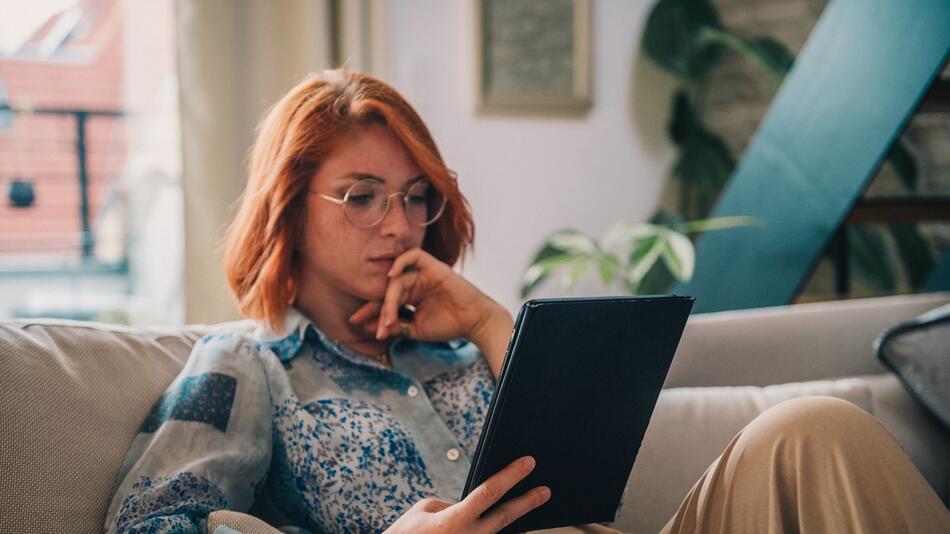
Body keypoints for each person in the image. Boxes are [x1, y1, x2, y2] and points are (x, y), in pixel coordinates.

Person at [105, 69, 950, 534]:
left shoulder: (463, 344)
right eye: (360, 196)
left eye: (412, 196)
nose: (396, 224)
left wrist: (484, 323)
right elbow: (147, 530)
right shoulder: (247, 362)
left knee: (812, 429)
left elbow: (596, 476)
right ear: (289, 206)